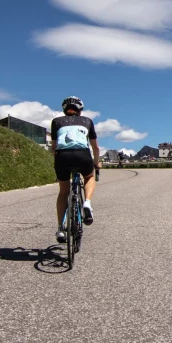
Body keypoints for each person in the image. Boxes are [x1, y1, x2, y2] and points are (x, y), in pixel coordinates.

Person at [50, 96, 100, 243]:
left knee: (63, 192)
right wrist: (96, 163)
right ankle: (87, 203)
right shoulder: (87, 121)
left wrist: (58, 159)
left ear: (64, 110)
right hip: (82, 155)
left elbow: (53, 147)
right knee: (89, 177)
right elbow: (95, 148)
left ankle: (61, 228)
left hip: (62, 156)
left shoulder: (56, 122)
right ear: (80, 110)